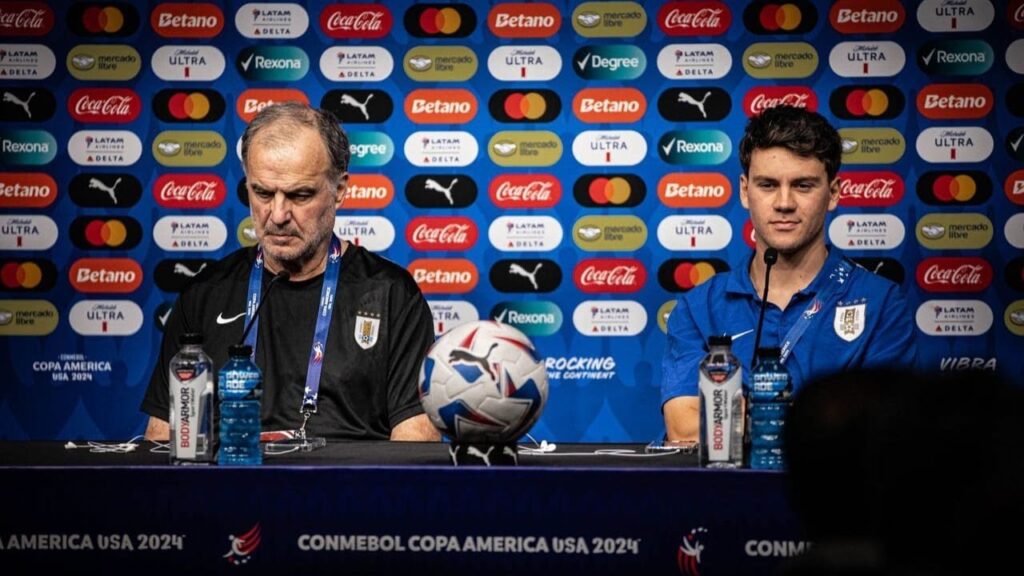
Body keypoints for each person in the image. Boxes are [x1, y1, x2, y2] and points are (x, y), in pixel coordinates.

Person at [141, 102, 439, 441]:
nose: (278, 214)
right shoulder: (205, 294)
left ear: (339, 190)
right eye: (263, 193)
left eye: (300, 195)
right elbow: (163, 441)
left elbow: (415, 444)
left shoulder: (391, 294)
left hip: (350, 489)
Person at [661, 105, 917, 442]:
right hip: (725, 495)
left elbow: (882, 432)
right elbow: (684, 429)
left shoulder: (881, 305)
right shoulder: (699, 307)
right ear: (744, 190)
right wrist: (819, 417)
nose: (784, 203)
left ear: (834, 194)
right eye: (767, 185)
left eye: (803, 185)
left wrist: (741, 416)